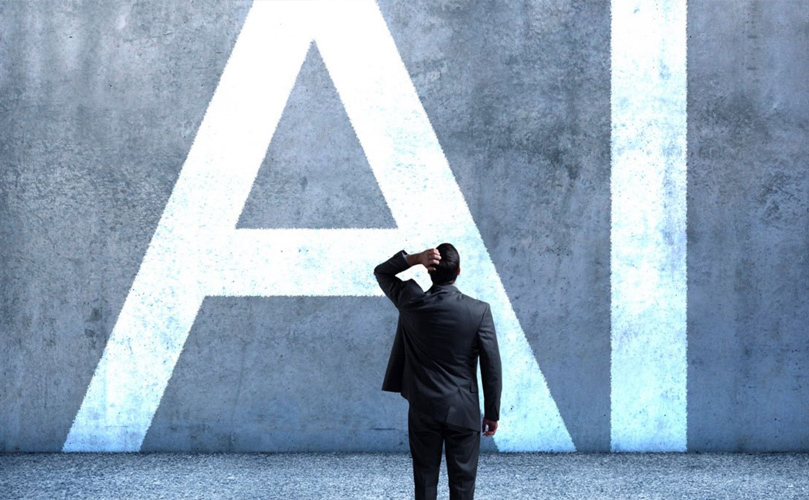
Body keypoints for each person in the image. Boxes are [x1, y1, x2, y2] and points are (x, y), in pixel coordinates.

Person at [375, 243, 502, 500]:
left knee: (424, 481)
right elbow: (492, 368)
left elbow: (382, 273)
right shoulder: (479, 311)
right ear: (459, 271)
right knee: (463, 487)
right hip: (463, 409)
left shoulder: (411, 302)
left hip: (423, 407)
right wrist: (492, 412)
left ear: (429, 272)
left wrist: (414, 259)